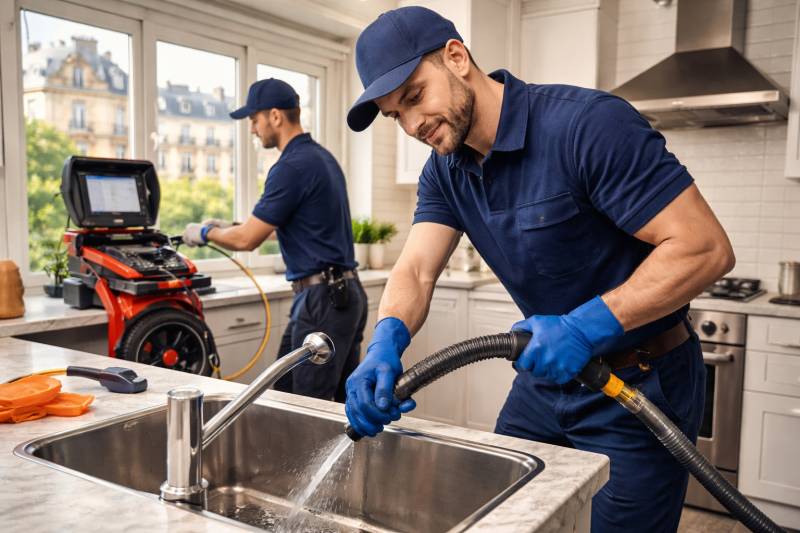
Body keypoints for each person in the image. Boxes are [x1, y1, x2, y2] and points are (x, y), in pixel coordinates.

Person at [343, 6, 735, 532]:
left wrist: (583, 326)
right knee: (502, 518)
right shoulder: (446, 170)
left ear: (457, 58)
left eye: (414, 96)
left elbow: (704, 248)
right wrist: (383, 343)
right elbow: (415, 270)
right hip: (546, 381)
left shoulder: (587, 126)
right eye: (396, 115)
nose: (412, 124)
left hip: (640, 382)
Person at [183, 78, 366, 401]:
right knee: (299, 396)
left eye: (255, 120)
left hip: (322, 299)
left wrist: (202, 232)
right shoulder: (320, 158)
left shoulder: (290, 167)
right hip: (344, 295)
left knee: (306, 406)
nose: (253, 129)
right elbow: (282, 223)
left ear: (276, 116)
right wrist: (228, 225)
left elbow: (247, 240)